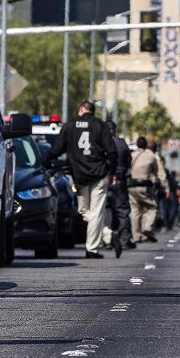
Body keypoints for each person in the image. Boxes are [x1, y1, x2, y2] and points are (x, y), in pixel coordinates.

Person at [49, 102, 117, 259]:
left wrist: (46, 162)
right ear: (93, 112)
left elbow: (57, 149)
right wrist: (112, 172)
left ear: (81, 110)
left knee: (84, 211)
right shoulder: (100, 125)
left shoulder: (70, 125)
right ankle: (106, 236)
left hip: (80, 176)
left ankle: (92, 248)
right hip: (99, 174)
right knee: (95, 212)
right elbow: (112, 151)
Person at [105, 119, 135, 253]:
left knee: (106, 210)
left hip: (104, 179)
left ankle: (107, 239)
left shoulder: (100, 143)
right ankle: (123, 240)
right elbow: (129, 162)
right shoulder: (122, 144)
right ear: (114, 130)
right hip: (119, 180)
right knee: (122, 211)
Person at [128, 137, 162, 242]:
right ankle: (147, 228)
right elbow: (158, 172)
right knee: (153, 207)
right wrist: (163, 185)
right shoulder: (151, 156)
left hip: (131, 186)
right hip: (144, 187)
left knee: (135, 211)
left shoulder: (131, 155)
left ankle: (136, 236)